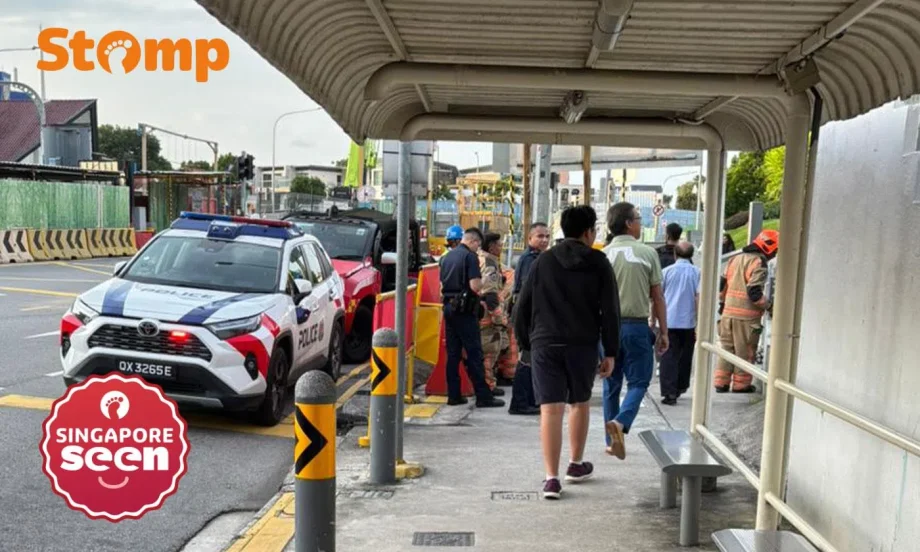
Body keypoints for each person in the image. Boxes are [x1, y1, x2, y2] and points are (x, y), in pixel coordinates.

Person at [515, 205, 620, 500]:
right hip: (582, 343)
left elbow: (522, 305)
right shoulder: (599, 262)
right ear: (588, 232)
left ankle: (551, 478)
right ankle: (575, 464)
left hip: (544, 343)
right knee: (579, 402)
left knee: (550, 409)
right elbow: (610, 309)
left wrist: (525, 344)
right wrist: (610, 350)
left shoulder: (543, 262)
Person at [601, 202, 669, 460]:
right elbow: (658, 297)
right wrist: (664, 331)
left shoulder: (603, 254)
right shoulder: (646, 253)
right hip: (636, 326)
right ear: (629, 223)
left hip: (606, 329)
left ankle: (611, 441)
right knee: (639, 382)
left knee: (611, 383)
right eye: (639, 219)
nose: (641, 223)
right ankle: (620, 422)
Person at [439, 227, 505, 408]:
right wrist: (486, 280)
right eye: (478, 244)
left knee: (453, 354)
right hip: (465, 310)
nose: (478, 248)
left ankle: (454, 395)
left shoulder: (447, 257)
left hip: (448, 307)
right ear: (474, 242)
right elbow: (475, 286)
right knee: (475, 353)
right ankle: (484, 396)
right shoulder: (470, 257)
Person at [715, 229, 778, 393]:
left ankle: (721, 383)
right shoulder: (758, 262)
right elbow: (754, 293)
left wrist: (723, 305)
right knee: (745, 352)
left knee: (726, 350)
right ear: (769, 248)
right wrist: (770, 306)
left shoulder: (734, 259)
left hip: (727, 314)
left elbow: (722, 286)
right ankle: (741, 385)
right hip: (747, 318)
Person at [508, 222, 551, 416]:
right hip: (528, 314)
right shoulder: (529, 260)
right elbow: (528, 291)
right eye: (539, 236)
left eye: (546, 236)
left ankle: (529, 400)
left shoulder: (538, 258)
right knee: (526, 360)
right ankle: (519, 402)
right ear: (530, 239)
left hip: (532, 314)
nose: (544, 240)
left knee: (532, 359)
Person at [658, 241, 700, 405]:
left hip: (668, 321)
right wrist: (699, 321)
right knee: (685, 356)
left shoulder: (666, 272)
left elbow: (658, 298)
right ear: (691, 255)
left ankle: (669, 393)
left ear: (675, 254)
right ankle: (680, 386)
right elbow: (698, 298)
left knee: (668, 356)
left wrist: (654, 319)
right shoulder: (697, 272)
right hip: (688, 322)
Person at [478, 232, 507, 397]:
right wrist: (499, 317)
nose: (501, 247)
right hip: (487, 317)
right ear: (491, 246)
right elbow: (490, 294)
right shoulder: (489, 263)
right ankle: (488, 385)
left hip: (479, 315)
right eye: (499, 244)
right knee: (490, 352)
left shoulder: (480, 258)